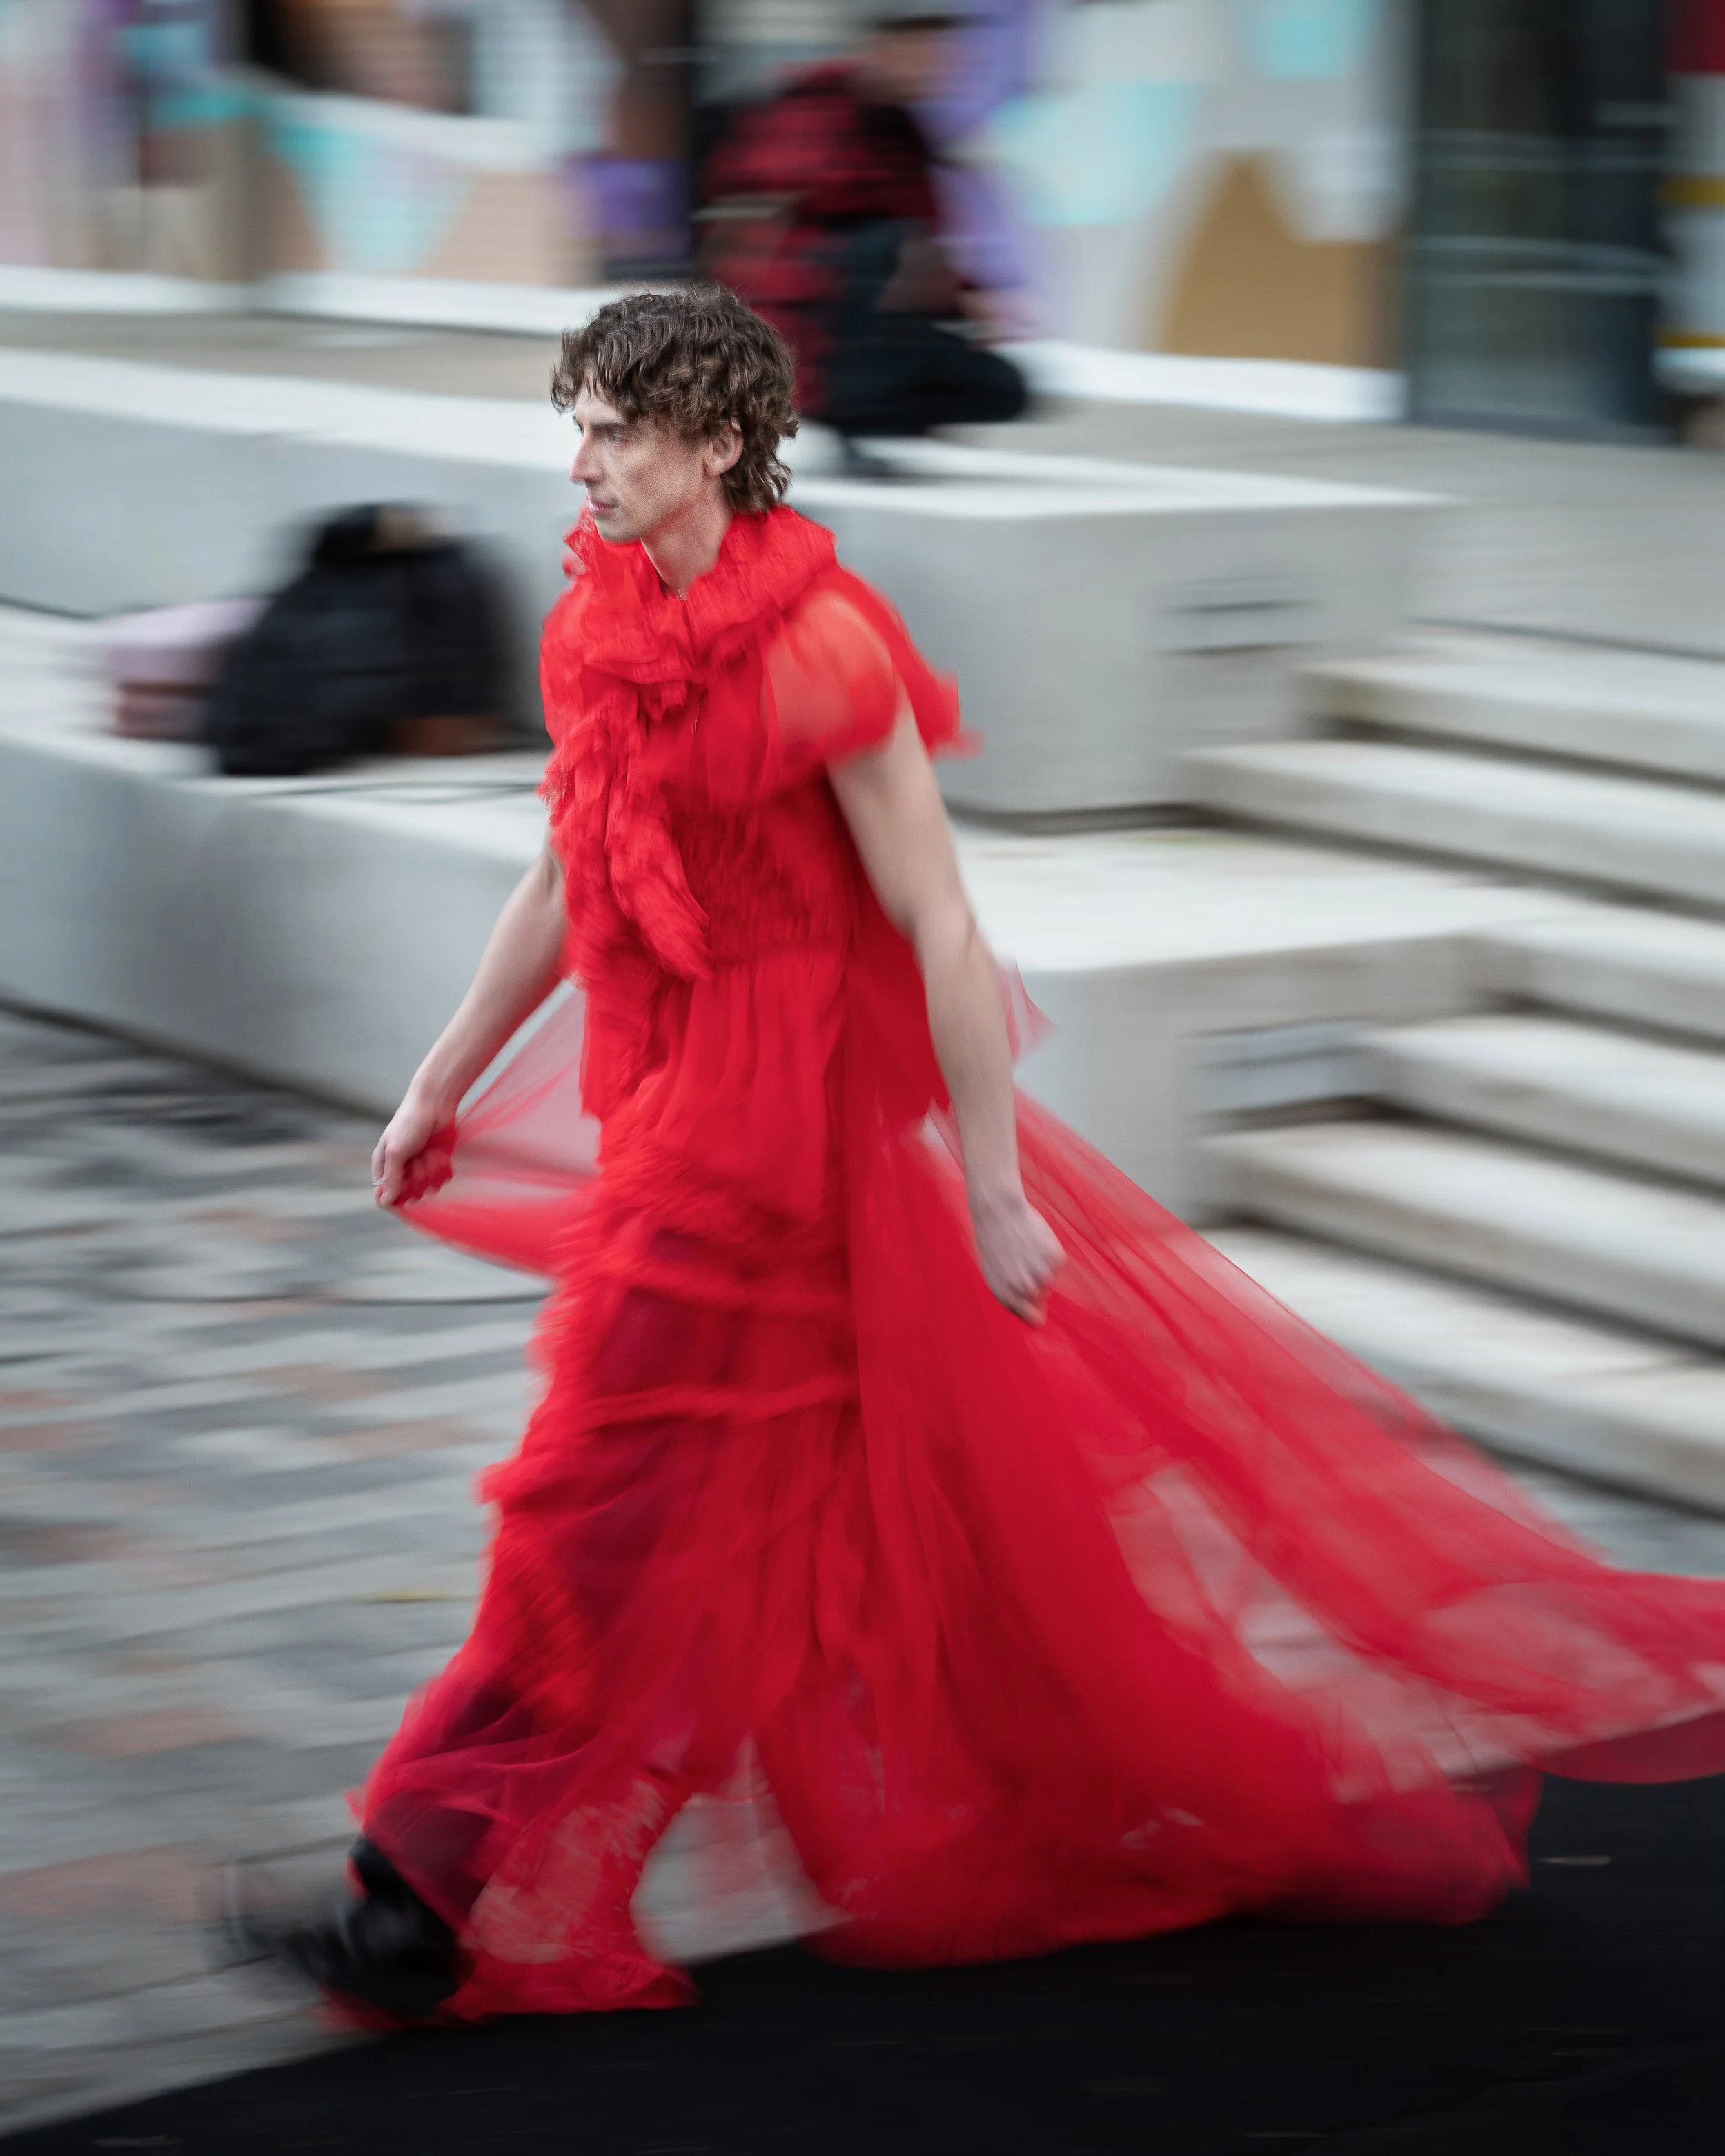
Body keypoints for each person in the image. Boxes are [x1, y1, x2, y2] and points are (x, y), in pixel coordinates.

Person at [241, 285, 1725, 2024]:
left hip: (772, 1135)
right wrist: (439, 1080)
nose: (586, 463)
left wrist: (1001, 1187)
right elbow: (572, 871)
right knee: (743, 1535)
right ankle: (506, 1875)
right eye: (574, 427)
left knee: (589, 1504)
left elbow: (941, 923)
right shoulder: (597, 625)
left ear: (718, 441)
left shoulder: (824, 647)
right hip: (671, 1096)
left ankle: (416, 1881)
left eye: (617, 431)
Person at [697, 1, 1027, 454]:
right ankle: (844, 414)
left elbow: (923, 241)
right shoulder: (815, 110)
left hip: (859, 324)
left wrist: (971, 299)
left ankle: (879, 417)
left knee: (1005, 389)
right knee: (879, 247)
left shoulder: (902, 130)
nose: (942, 63)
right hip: (792, 332)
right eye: (927, 49)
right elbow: (767, 245)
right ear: (884, 49)